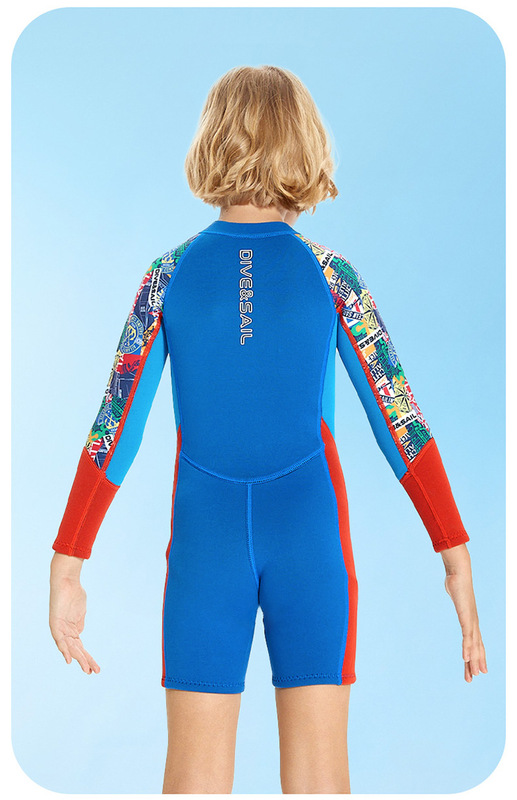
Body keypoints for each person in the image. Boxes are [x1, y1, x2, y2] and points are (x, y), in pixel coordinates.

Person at [49, 65, 487, 794]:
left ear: (211, 142)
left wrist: (68, 563)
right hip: (311, 542)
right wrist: (455, 555)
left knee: (193, 781)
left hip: (205, 545)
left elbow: (111, 429)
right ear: (305, 143)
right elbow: (402, 421)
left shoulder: (166, 278)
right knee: (319, 780)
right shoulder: (333, 277)